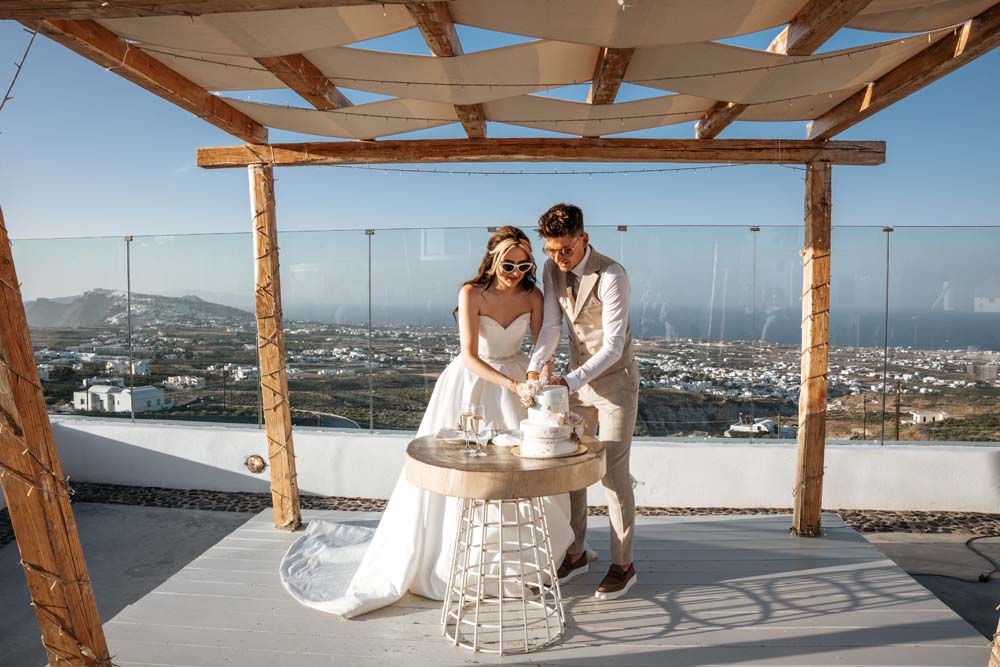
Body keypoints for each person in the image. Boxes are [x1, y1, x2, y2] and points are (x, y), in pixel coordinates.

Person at [279, 226, 573, 618]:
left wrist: (538, 380)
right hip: (473, 384)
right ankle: (453, 555)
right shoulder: (471, 293)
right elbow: (469, 356)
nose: (516, 272)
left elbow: (542, 349)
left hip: (520, 382)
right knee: (464, 468)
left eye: (524, 265)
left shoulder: (533, 296)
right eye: (508, 265)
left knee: (519, 468)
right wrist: (511, 384)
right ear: (492, 260)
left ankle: (516, 558)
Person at [527, 203, 640, 601]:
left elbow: (613, 346)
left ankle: (623, 565)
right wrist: (534, 368)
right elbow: (552, 327)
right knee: (574, 469)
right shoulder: (551, 269)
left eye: (566, 250)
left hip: (615, 386)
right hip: (575, 385)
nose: (558, 258)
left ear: (583, 239)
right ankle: (575, 553)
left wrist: (569, 380)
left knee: (613, 475)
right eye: (551, 250)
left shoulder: (612, 275)